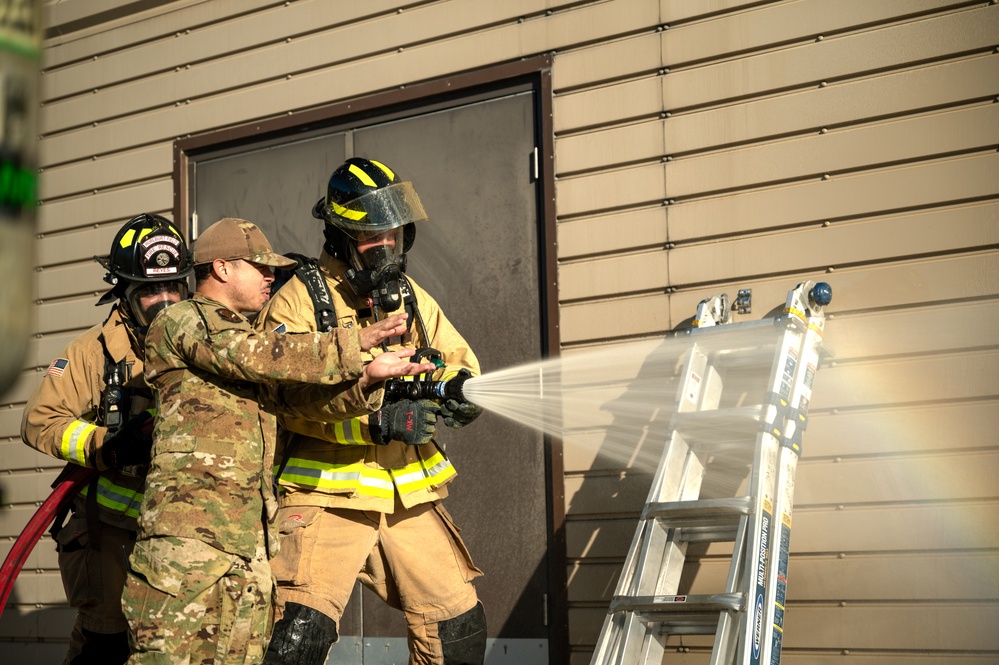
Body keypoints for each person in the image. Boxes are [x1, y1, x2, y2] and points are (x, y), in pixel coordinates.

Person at [120, 217, 435, 664]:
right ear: (223, 268)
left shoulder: (253, 345)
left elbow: (298, 399)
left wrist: (367, 377)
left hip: (249, 547)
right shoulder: (181, 321)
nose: (271, 276)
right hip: (187, 551)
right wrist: (354, 342)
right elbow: (252, 356)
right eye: (260, 267)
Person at [258, 157, 486, 665]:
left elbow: (451, 359)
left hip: (405, 490)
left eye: (393, 234)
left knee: (458, 628)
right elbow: (282, 400)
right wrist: (374, 420)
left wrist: (460, 389)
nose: (385, 247)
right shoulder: (299, 302)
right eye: (369, 237)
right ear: (339, 237)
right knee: (298, 636)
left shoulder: (408, 296)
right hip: (325, 491)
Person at [21, 214, 193, 664]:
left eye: (174, 287)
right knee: (107, 647)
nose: (165, 302)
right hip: (110, 539)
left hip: (184, 536)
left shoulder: (208, 344)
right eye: (150, 291)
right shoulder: (93, 353)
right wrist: (108, 445)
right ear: (124, 295)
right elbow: (40, 420)